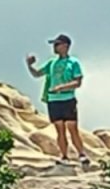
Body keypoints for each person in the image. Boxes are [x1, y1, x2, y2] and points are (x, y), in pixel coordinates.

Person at [26, 34, 90, 167]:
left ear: (65, 46)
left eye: (57, 44)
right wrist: (30, 65)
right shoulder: (51, 62)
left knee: (72, 128)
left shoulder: (73, 62)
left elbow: (78, 82)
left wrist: (62, 87)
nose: (54, 47)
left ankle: (82, 154)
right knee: (59, 128)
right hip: (53, 100)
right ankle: (64, 156)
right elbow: (37, 74)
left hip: (68, 99)